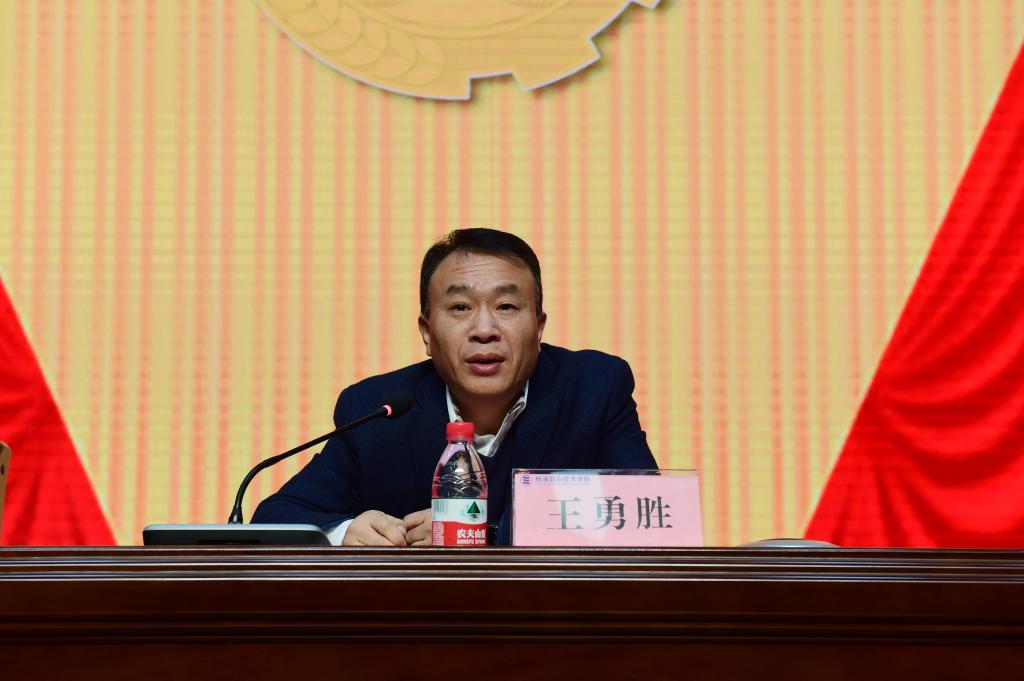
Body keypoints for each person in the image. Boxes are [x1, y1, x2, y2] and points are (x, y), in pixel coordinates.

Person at [252, 228, 657, 545]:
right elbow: (275, 518)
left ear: (538, 327)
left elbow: (648, 516)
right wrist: (343, 532)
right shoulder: (378, 409)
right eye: (460, 308)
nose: (484, 329)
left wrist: (482, 534)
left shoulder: (595, 388)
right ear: (427, 332)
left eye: (506, 307)